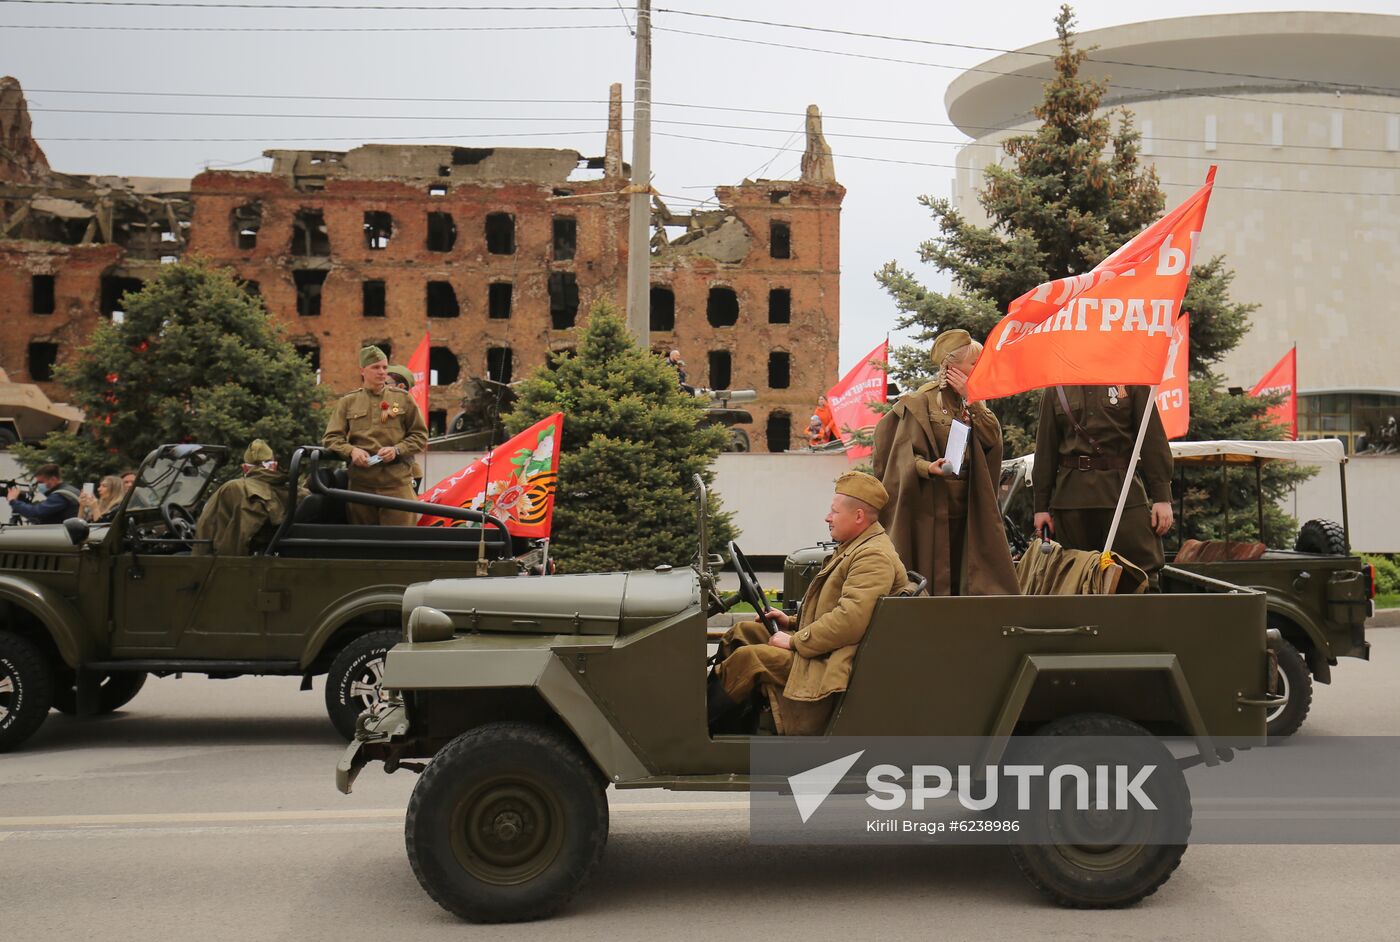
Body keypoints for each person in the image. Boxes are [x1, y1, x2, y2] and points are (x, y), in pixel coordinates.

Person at [707, 471, 906, 736]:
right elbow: (836, 611)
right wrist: (789, 622)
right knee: (743, 633)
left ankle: (691, 733)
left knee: (749, 659)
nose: (827, 517)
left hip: (835, 663)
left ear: (858, 516)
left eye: (834, 512)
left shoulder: (872, 556)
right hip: (830, 650)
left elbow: (850, 621)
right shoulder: (857, 546)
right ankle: (727, 722)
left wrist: (793, 641)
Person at [872, 329, 1017, 596]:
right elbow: (901, 457)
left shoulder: (971, 402)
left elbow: (991, 440)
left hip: (969, 506)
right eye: (974, 363)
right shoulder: (920, 402)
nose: (979, 368)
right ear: (952, 366)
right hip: (930, 506)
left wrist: (973, 400)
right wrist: (928, 467)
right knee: (931, 571)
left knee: (972, 575)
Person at [1031, 384, 1174, 584]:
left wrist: (1162, 498)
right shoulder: (1057, 387)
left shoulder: (1133, 380)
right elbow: (1045, 449)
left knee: (1140, 575)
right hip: (1071, 501)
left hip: (1122, 495)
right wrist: (1041, 507)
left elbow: (1153, 440)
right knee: (1074, 578)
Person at [323, 345, 428, 526]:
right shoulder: (348, 402)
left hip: (397, 484)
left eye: (385, 367)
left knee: (401, 544)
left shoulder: (403, 399)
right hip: (361, 486)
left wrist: (397, 449)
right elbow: (331, 438)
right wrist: (351, 451)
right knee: (364, 545)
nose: (382, 372)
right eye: (375, 367)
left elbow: (420, 436)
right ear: (363, 370)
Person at [194, 440, 292, 555]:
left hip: (230, 562)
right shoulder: (296, 492)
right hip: (273, 558)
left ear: (245, 468)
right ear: (274, 465)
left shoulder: (233, 487)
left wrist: (197, 559)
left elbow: (206, 526)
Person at [7, 463, 81, 525]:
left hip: (64, 536)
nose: (39, 485)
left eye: (41, 482)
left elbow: (35, 512)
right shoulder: (71, 490)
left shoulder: (60, 496)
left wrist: (13, 501)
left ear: (53, 479)